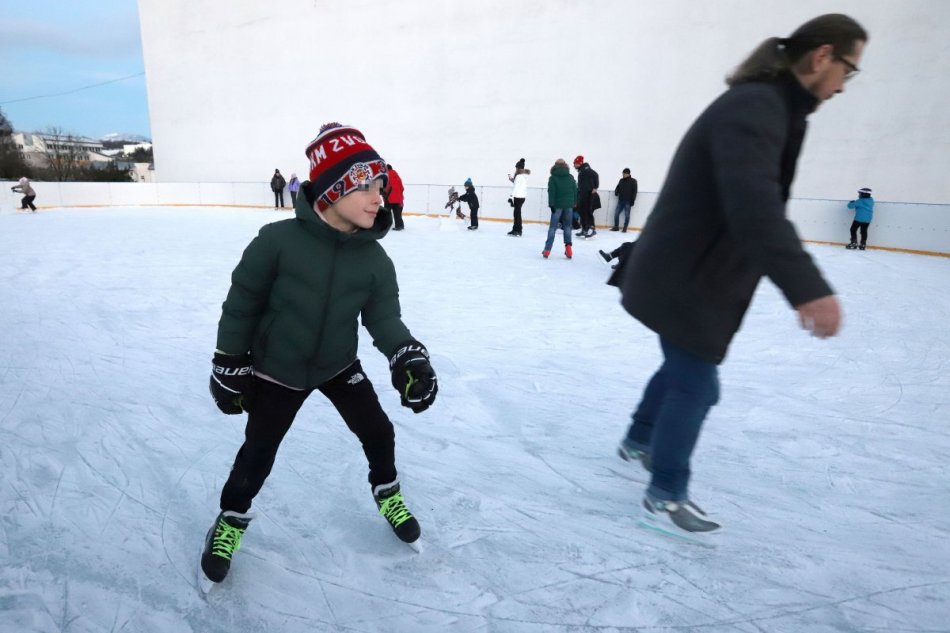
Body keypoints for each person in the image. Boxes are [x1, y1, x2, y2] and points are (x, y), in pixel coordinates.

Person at [617, 14, 864, 541]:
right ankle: (664, 493)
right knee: (697, 382)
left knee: (683, 366)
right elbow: (754, 205)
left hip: (692, 271)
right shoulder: (758, 106)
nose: (845, 83)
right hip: (686, 274)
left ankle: (638, 438)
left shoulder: (774, 107)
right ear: (822, 56)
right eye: (848, 68)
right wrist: (808, 287)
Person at [200, 122, 439, 585]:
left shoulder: (374, 260)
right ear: (333, 190)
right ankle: (229, 520)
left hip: (337, 364)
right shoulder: (277, 241)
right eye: (366, 186)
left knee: (379, 432)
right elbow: (242, 302)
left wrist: (407, 355)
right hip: (277, 371)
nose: (379, 197)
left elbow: (384, 319)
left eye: (381, 186)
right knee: (257, 454)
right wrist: (229, 359)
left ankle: (387, 491)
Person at [542, 159, 577, 259]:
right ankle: (569, 250)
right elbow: (575, 190)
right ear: (565, 166)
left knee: (553, 227)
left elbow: (551, 192)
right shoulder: (570, 177)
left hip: (557, 205)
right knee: (567, 227)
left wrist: (551, 205)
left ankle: (547, 250)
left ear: (555, 166)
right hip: (569, 205)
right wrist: (574, 202)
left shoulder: (553, 178)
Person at [573, 156, 599, 238]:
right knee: (582, 212)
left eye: (575, 164)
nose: (574, 165)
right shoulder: (582, 170)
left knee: (588, 211)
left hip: (588, 195)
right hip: (583, 195)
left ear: (580, 163)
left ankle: (592, 229)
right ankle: (584, 229)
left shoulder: (586, 169)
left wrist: (595, 187)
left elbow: (596, 175)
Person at [507, 158, 530, 236]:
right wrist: (512, 180)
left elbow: (516, 187)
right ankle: (516, 229)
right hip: (522, 196)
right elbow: (518, 184)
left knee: (517, 214)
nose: (515, 169)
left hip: (517, 197)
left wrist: (511, 197)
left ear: (518, 168)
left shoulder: (519, 176)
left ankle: (518, 230)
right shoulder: (524, 175)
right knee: (517, 213)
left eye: (516, 167)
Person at [383, 163, 406, 231]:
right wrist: (398, 195)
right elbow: (402, 188)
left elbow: (382, 186)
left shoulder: (386, 176)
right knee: (397, 213)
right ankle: (400, 226)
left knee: (386, 213)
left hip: (389, 198)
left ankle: (385, 226)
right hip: (398, 199)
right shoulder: (398, 178)